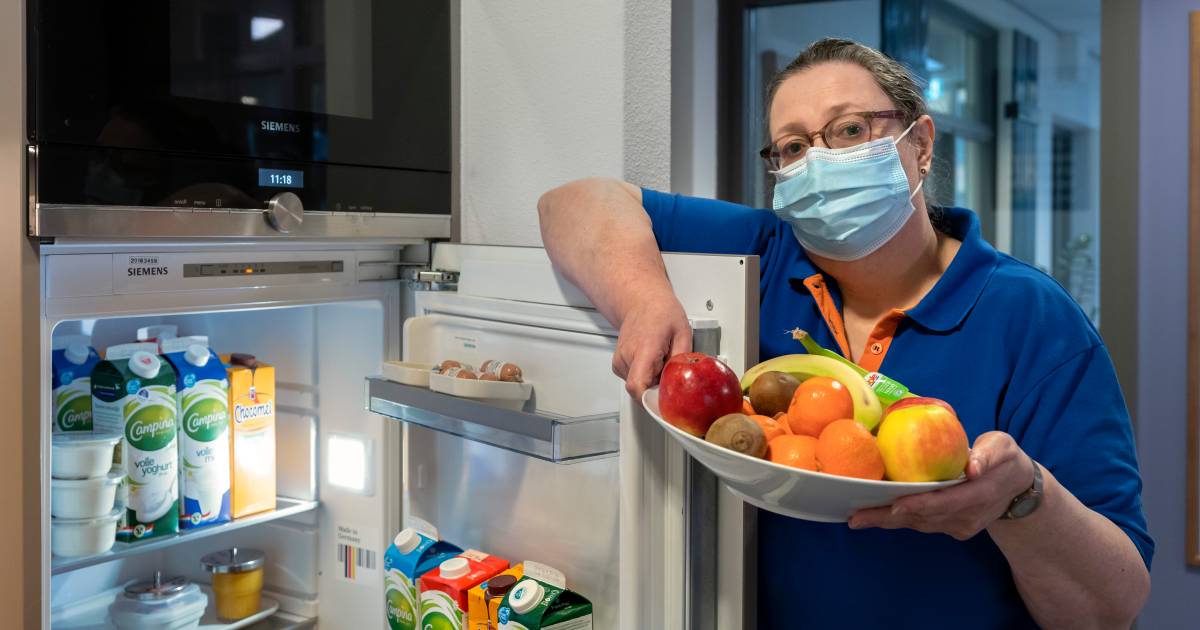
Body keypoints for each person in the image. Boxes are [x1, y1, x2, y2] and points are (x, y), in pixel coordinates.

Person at [537, 38, 1151, 628]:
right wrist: (643, 298)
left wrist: (1023, 497)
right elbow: (572, 204)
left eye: (851, 129)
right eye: (794, 147)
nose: (822, 161)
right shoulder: (766, 254)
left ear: (922, 143)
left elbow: (1110, 609)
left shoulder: (1033, 319)